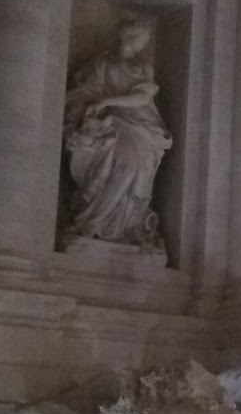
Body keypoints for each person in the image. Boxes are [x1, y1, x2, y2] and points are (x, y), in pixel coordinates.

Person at [63, 18, 172, 253]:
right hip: (112, 124)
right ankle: (93, 224)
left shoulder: (142, 67)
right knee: (125, 165)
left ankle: (128, 226)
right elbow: (81, 92)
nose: (146, 43)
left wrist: (106, 101)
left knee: (138, 168)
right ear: (130, 37)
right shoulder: (101, 63)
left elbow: (143, 98)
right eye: (143, 37)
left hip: (143, 126)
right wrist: (88, 112)